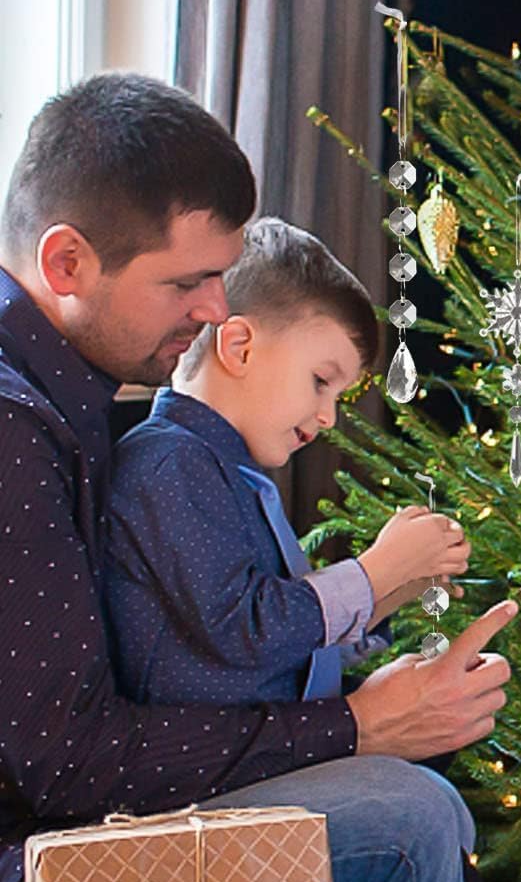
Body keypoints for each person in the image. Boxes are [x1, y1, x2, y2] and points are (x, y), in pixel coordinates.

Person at [0, 72, 515, 882]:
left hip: (77, 824)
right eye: (186, 283)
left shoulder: (80, 407)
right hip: (34, 870)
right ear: (67, 262)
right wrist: (356, 724)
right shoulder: (18, 433)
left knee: (422, 803)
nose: (212, 310)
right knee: (406, 817)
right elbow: (67, 762)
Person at [105, 215, 470, 707]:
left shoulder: (227, 471)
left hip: (276, 740)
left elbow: (284, 646)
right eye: (322, 381)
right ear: (239, 348)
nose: (328, 418)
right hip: (212, 767)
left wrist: (394, 589)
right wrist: (376, 569)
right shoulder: (169, 463)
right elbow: (246, 632)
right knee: (416, 786)